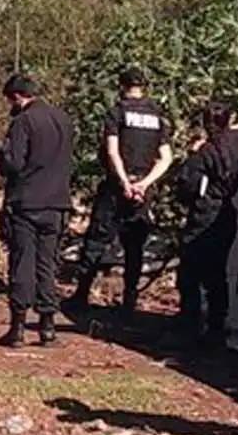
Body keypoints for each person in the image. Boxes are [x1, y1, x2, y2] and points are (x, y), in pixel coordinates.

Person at [66, 66, 173, 322]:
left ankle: (81, 295)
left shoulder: (117, 112)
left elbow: (112, 151)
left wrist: (124, 182)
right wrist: (144, 184)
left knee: (96, 240)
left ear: (122, 86)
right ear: (144, 87)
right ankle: (129, 300)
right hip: (143, 190)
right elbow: (166, 158)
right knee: (135, 247)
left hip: (116, 188)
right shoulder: (157, 116)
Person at [0, 74, 74, 347]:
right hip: (57, 202)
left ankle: (17, 327)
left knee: (22, 263)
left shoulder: (23, 121)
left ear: (17, 97)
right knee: (47, 264)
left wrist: (0, 159)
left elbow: (14, 163)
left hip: (26, 202)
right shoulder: (63, 119)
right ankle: (47, 327)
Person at [174, 101, 237, 348]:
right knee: (217, 275)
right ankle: (216, 326)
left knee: (190, 273)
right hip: (226, 217)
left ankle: (190, 323)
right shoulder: (235, 152)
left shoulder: (204, 154)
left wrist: (191, 156)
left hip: (203, 217)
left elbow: (187, 187)